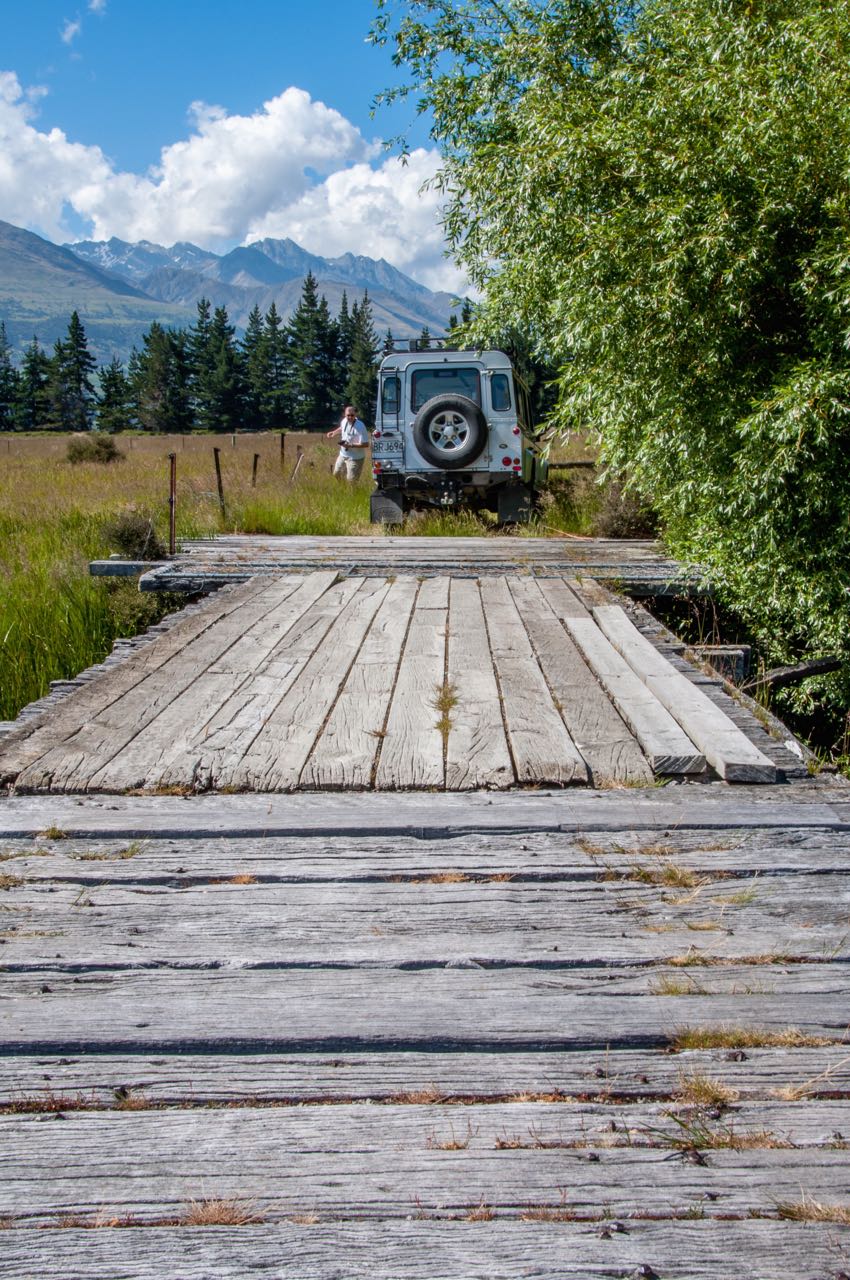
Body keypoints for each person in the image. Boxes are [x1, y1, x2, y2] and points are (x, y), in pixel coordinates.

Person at [326, 405, 369, 481]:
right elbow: (341, 428)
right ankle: (343, 489)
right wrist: (333, 432)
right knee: (336, 474)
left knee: (351, 481)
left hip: (355, 458)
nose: (350, 417)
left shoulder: (360, 426)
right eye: (348, 415)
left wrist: (350, 445)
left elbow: (366, 444)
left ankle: (353, 492)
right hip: (343, 455)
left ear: (356, 414)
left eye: (352, 415)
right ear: (345, 415)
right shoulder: (344, 421)